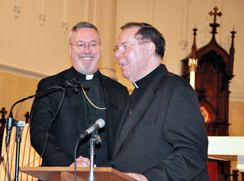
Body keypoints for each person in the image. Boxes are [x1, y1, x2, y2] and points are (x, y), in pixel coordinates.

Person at [112, 22, 209, 180]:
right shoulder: (135, 93)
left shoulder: (176, 90)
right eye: (117, 48)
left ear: (149, 50)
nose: (117, 54)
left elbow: (193, 152)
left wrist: (148, 178)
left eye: (125, 46)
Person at [30, 22, 129, 167]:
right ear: (70, 49)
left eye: (93, 44)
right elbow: (39, 134)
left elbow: (127, 140)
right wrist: (70, 164)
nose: (87, 51)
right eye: (80, 45)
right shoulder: (52, 86)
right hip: (63, 174)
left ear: (101, 49)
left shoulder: (119, 91)